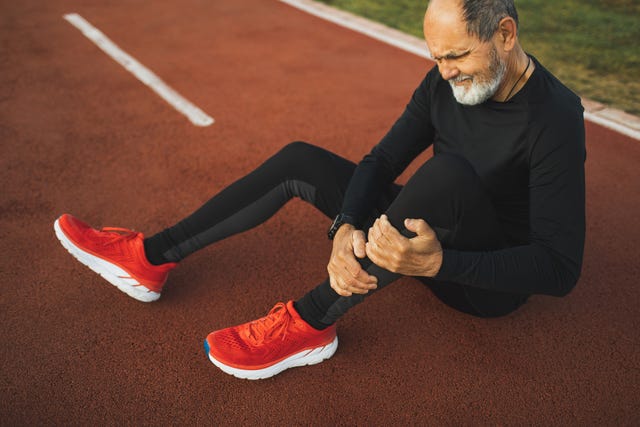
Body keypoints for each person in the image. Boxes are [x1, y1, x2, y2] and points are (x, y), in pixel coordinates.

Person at [54, 0, 586, 380]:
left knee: (446, 174)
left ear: (506, 34)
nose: (445, 72)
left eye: (458, 57)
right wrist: (345, 224)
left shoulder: (555, 118)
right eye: (436, 58)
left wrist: (438, 265)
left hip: (482, 282)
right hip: (412, 241)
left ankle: (311, 323)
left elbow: (559, 269)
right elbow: (381, 160)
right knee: (301, 158)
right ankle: (151, 257)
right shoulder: (441, 80)